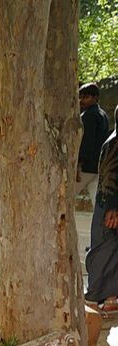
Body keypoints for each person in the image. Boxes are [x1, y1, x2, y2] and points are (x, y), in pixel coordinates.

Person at [85, 106, 118, 312]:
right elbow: (110, 175)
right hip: (109, 205)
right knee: (106, 250)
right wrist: (112, 208)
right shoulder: (115, 142)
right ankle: (99, 297)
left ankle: (111, 297)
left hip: (111, 204)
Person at [77, 83, 111, 210]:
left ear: (95, 98)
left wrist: (79, 163)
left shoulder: (88, 116)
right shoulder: (103, 115)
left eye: (86, 97)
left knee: (66, 197)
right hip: (98, 167)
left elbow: (87, 142)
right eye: (80, 97)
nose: (81, 100)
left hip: (86, 167)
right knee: (98, 204)